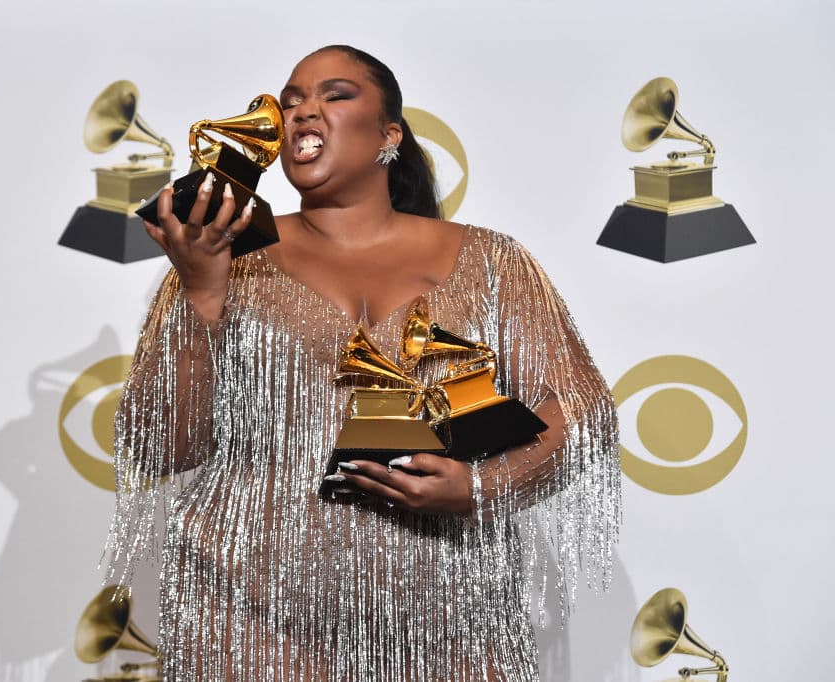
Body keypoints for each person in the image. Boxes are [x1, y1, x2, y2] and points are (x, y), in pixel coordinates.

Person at [104, 45, 620, 681]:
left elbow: (583, 413)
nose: (300, 113)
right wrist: (202, 292)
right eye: (289, 101)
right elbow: (157, 447)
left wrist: (483, 487)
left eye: (334, 95)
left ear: (389, 135)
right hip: (247, 626)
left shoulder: (491, 261)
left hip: (455, 628)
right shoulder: (221, 259)